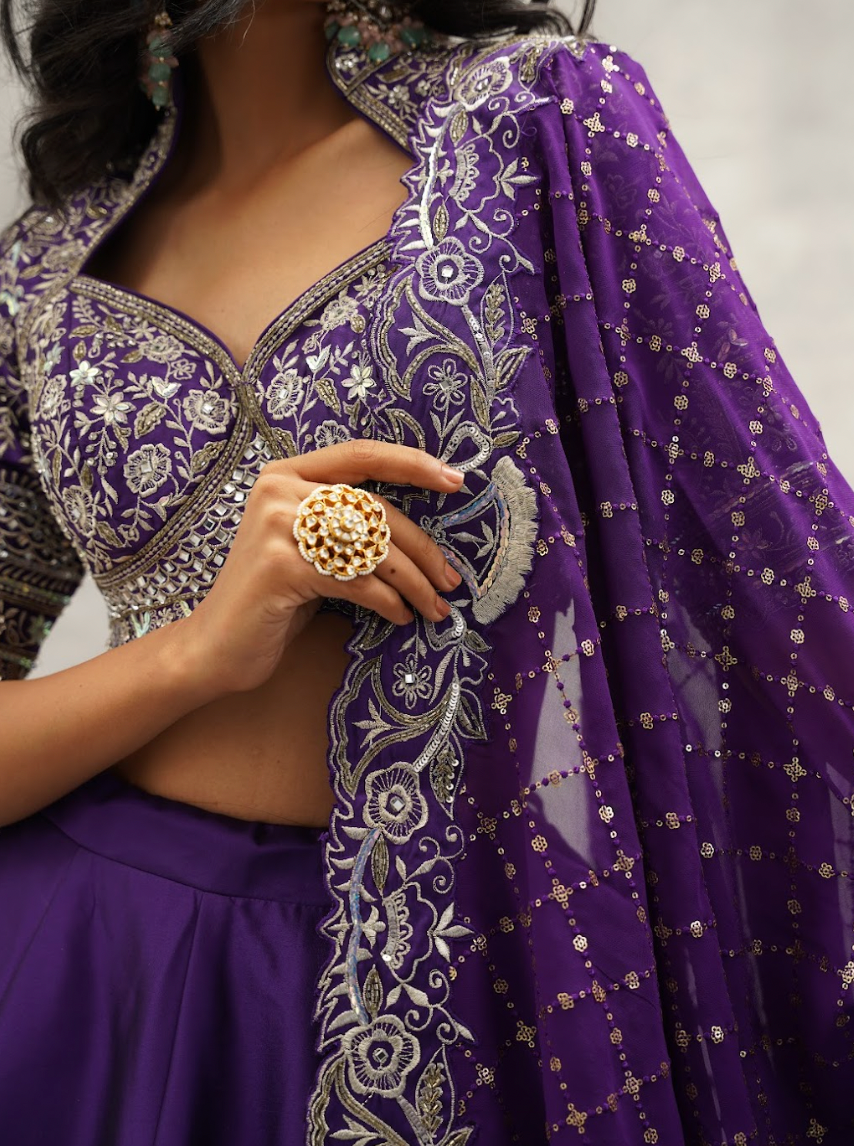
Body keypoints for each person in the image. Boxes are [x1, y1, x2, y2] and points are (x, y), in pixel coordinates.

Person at [1, 0, 852, 1142]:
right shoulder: (47, 270)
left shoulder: (538, 124)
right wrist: (193, 655)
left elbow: (771, 565)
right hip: (91, 964)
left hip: (471, 970)